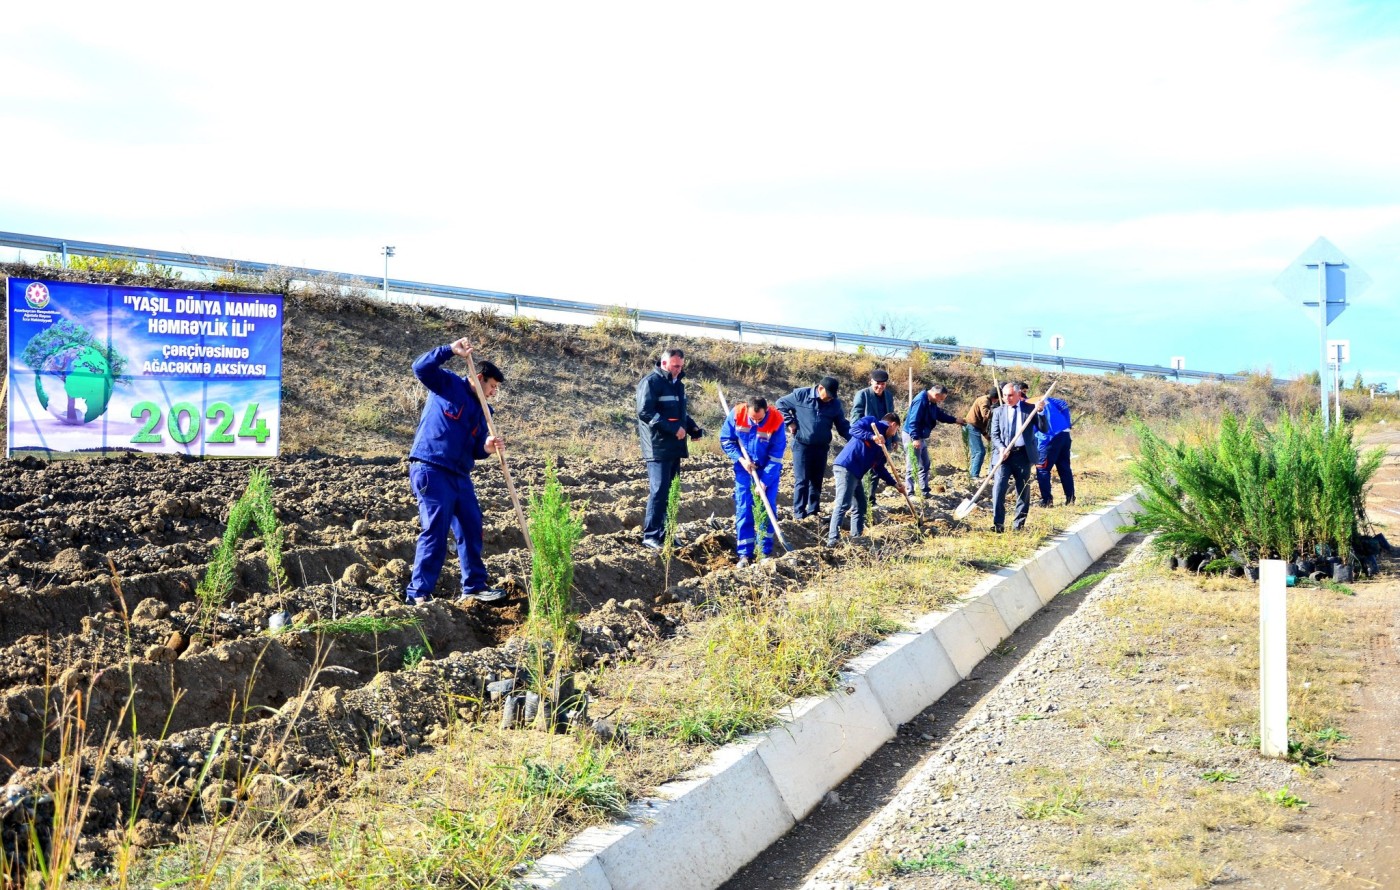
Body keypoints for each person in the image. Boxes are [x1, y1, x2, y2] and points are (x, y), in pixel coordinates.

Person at [404, 337, 507, 606]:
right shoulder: (448, 384)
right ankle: (418, 595)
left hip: (460, 475)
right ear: (479, 377)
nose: (494, 392)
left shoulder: (485, 411)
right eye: (492, 386)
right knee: (435, 531)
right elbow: (420, 368)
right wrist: (449, 350)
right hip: (431, 468)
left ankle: (473, 587)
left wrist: (486, 447)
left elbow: (475, 448)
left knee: (472, 527)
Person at [636, 347, 705, 550]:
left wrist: (692, 428)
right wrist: (673, 428)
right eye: (675, 366)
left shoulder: (678, 385)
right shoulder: (651, 382)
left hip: (675, 447)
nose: (678, 369)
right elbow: (645, 412)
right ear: (664, 363)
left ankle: (666, 533)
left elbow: (680, 413)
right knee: (659, 490)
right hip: (657, 447)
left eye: (681, 366)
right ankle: (651, 535)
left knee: (671, 491)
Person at [719, 397, 787, 567]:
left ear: (766, 411)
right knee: (744, 508)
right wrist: (740, 459)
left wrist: (763, 482)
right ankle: (744, 554)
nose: (756, 421)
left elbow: (776, 456)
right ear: (747, 410)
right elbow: (726, 440)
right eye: (753, 418)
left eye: (759, 419)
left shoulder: (776, 420)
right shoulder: (736, 415)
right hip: (744, 469)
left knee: (766, 507)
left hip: (767, 469)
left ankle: (764, 552)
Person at [777, 376, 851, 519]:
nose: (829, 399)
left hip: (821, 446)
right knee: (802, 480)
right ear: (820, 388)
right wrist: (789, 421)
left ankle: (813, 512)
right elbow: (780, 403)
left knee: (816, 481)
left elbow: (842, 426)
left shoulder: (834, 404)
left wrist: (855, 440)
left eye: (832, 396)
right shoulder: (801, 395)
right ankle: (799, 513)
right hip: (802, 445)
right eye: (828, 395)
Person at [828, 413, 905, 547]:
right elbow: (852, 430)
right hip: (846, 467)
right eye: (896, 430)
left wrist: (895, 484)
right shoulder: (871, 422)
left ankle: (856, 538)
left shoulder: (883, 445)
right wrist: (872, 436)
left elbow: (878, 468)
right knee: (843, 504)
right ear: (893, 425)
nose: (894, 434)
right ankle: (833, 540)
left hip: (857, 473)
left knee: (860, 506)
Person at [988, 382, 1048, 532]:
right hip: (1003, 456)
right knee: (999, 488)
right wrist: (1002, 448)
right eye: (1005, 395)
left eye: (1010, 395)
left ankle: (1018, 526)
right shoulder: (998, 411)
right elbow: (994, 435)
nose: (1007, 398)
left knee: (1023, 490)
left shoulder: (1030, 409)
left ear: (1018, 395)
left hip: (1023, 455)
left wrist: (1040, 412)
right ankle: (998, 524)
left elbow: (1043, 428)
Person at [902, 384, 967, 498]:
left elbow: (939, 415)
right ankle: (910, 492)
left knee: (925, 463)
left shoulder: (931, 402)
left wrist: (955, 420)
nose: (941, 401)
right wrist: (915, 438)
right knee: (913, 463)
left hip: (920, 436)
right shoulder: (920, 401)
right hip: (912, 435)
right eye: (941, 399)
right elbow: (913, 421)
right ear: (936, 395)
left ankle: (924, 491)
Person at [849, 369, 896, 520]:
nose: (880, 387)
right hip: (869, 440)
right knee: (868, 471)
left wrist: (894, 439)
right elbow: (855, 419)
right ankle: (863, 501)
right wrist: (868, 435)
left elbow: (892, 418)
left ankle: (871, 499)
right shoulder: (862, 395)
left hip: (883, 439)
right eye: (877, 384)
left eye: (883, 384)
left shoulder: (888, 396)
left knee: (878, 469)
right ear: (871, 382)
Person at [1034, 394, 1075, 507]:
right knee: (1064, 468)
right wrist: (1067, 423)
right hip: (1065, 435)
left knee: (1042, 469)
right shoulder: (1053, 401)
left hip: (1049, 438)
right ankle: (1070, 498)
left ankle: (1047, 501)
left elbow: (1033, 428)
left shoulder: (1032, 403)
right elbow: (1065, 409)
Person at [964, 386, 1001, 482]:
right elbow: (985, 414)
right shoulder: (984, 401)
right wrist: (999, 412)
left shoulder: (986, 400)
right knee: (980, 451)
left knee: (975, 452)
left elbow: (981, 422)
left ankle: (972, 474)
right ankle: (974, 475)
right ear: (996, 397)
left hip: (975, 427)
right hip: (971, 427)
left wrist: (985, 435)